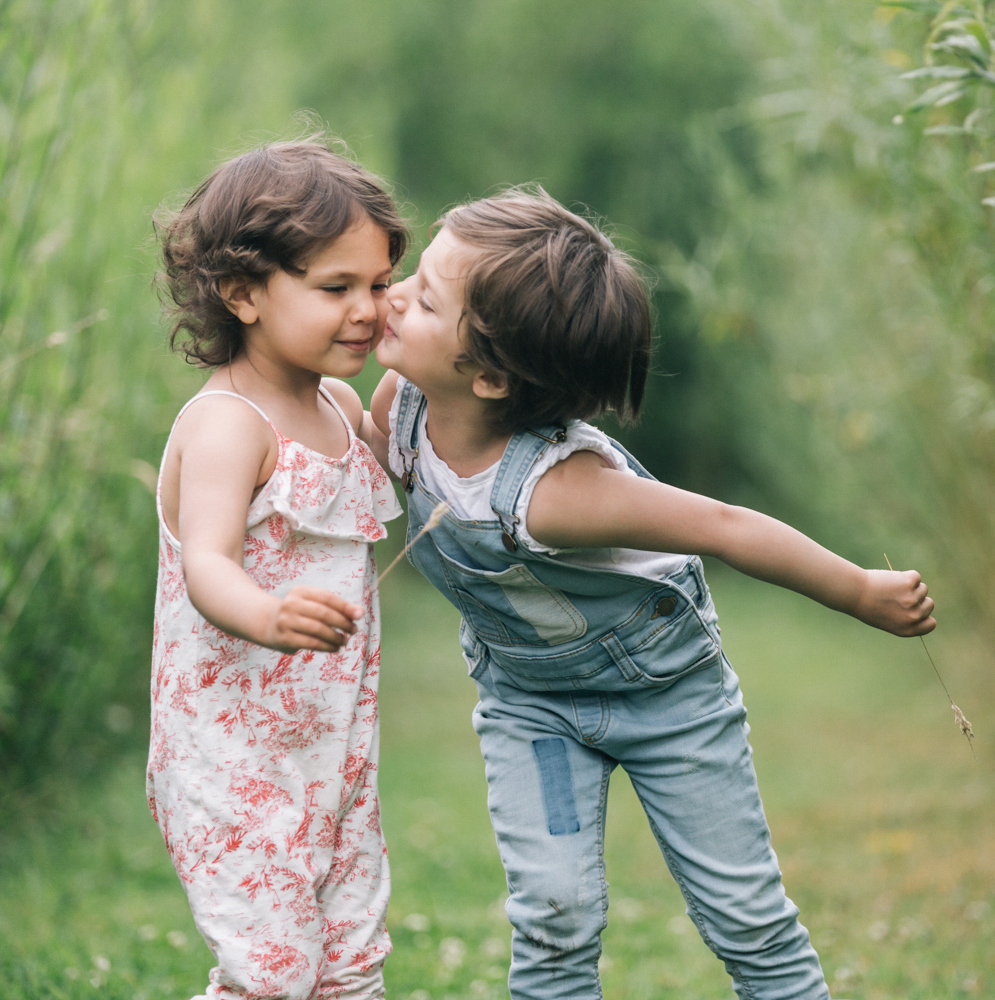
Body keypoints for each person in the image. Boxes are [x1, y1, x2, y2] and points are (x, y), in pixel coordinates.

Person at [364, 187, 936, 1000]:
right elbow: (354, 471)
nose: (392, 299)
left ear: (489, 376)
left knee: (745, 916)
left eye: (422, 299)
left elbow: (726, 526)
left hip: (670, 704)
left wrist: (860, 592)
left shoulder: (559, 493)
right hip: (533, 705)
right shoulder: (402, 405)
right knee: (551, 914)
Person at [147, 139, 408, 1000]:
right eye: (336, 288)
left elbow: (405, 471)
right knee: (273, 969)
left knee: (350, 959)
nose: (367, 309)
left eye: (378, 284)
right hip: (231, 755)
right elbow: (208, 564)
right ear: (243, 292)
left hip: (330, 751)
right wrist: (264, 615)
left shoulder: (336, 406)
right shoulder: (228, 424)